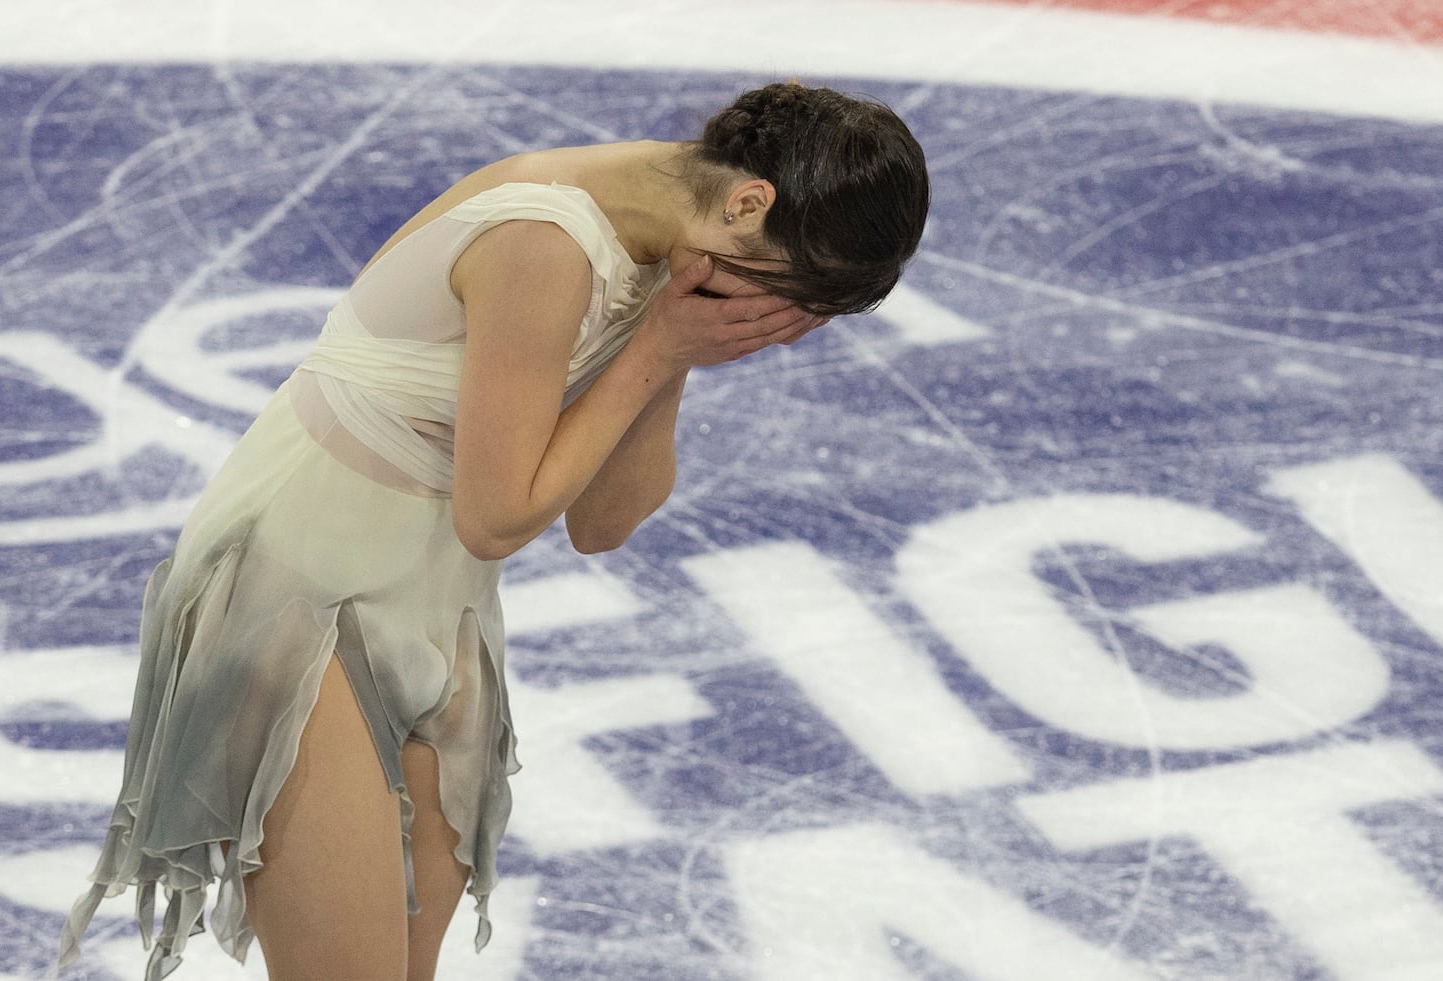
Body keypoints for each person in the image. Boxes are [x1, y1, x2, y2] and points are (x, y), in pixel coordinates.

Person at [57, 81, 929, 981]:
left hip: (435, 610)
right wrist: (661, 349)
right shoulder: (543, 245)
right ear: (749, 204)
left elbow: (605, 520)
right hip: (295, 597)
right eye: (788, 297)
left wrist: (670, 349)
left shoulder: (671, 248)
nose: (781, 334)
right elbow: (497, 516)